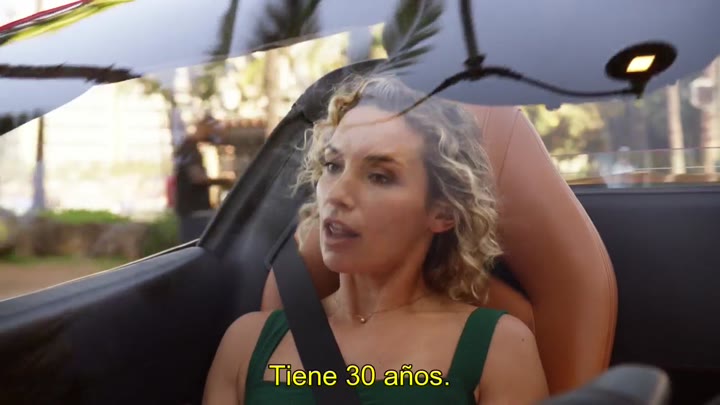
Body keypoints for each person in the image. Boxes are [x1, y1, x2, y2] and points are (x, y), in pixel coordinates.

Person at [202, 75, 548, 404]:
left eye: (379, 177)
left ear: (442, 211)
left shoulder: (499, 348)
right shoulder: (245, 345)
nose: (336, 195)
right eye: (333, 165)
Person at [173, 114, 235, 242]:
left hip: (194, 212)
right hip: (196, 212)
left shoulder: (190, 148)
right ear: (204, 128)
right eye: (213, 130)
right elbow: (197, 178)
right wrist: (226, 181)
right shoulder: (189, 149)